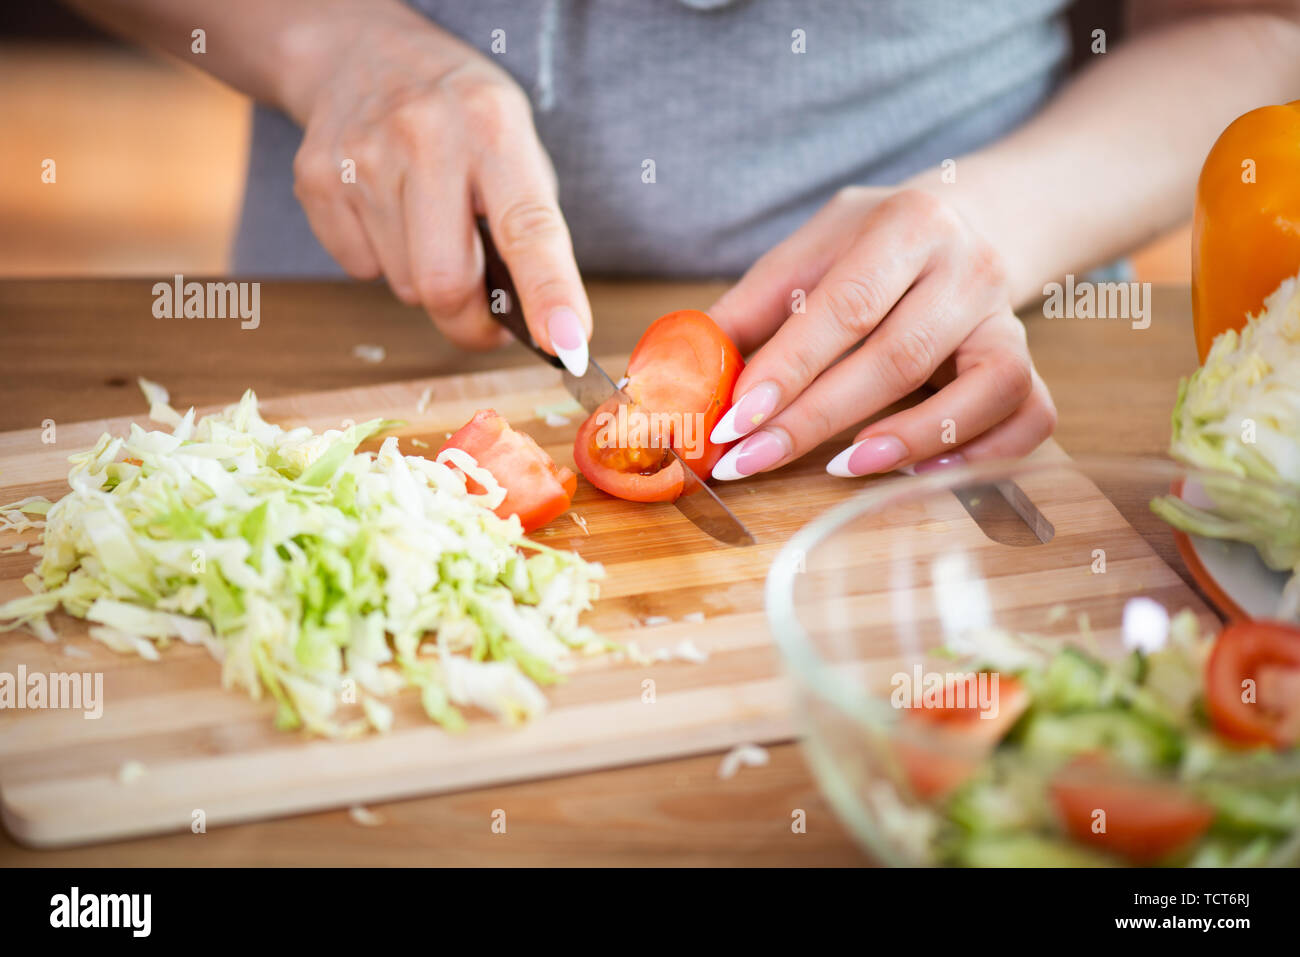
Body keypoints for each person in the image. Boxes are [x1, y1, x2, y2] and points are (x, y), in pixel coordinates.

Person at [71, 0, 1300, 480]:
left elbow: (1262, 25)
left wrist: (1005, 216)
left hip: (966, 368)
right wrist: (324, 46)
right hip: (339, 328)